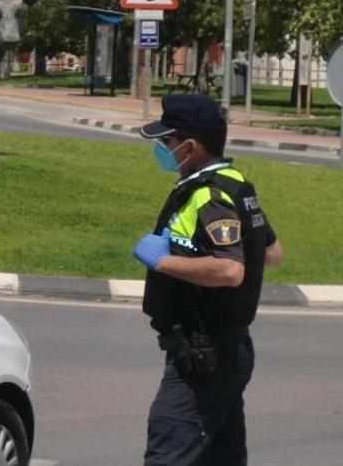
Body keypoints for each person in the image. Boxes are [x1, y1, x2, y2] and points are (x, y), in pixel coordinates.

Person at [134, 94, 283, 465]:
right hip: (227, 349)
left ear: (190, 146)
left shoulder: (209, 196)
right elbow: (271, 252)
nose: (161, 149)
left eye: (166, 142)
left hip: (203, 356)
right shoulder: (237, 184)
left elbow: (231, 270)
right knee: (222, 456)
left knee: (168, 450)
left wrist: (165, 261)